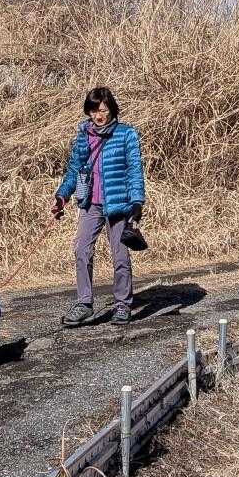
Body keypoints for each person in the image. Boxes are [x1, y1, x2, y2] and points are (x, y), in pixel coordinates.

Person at [53, 87, 145, 327]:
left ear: (111, 109)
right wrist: (62, 196)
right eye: (93, 111)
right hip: (90, 203)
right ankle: (84, 303)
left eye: (102, 110)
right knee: (81, 250)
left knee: (120, 256)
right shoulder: (84, 136)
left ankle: (122, 304)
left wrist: (137, 202)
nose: (98, 115)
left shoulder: (126, 134)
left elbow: (135, 171)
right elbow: (74, 170)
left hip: (119, 205)